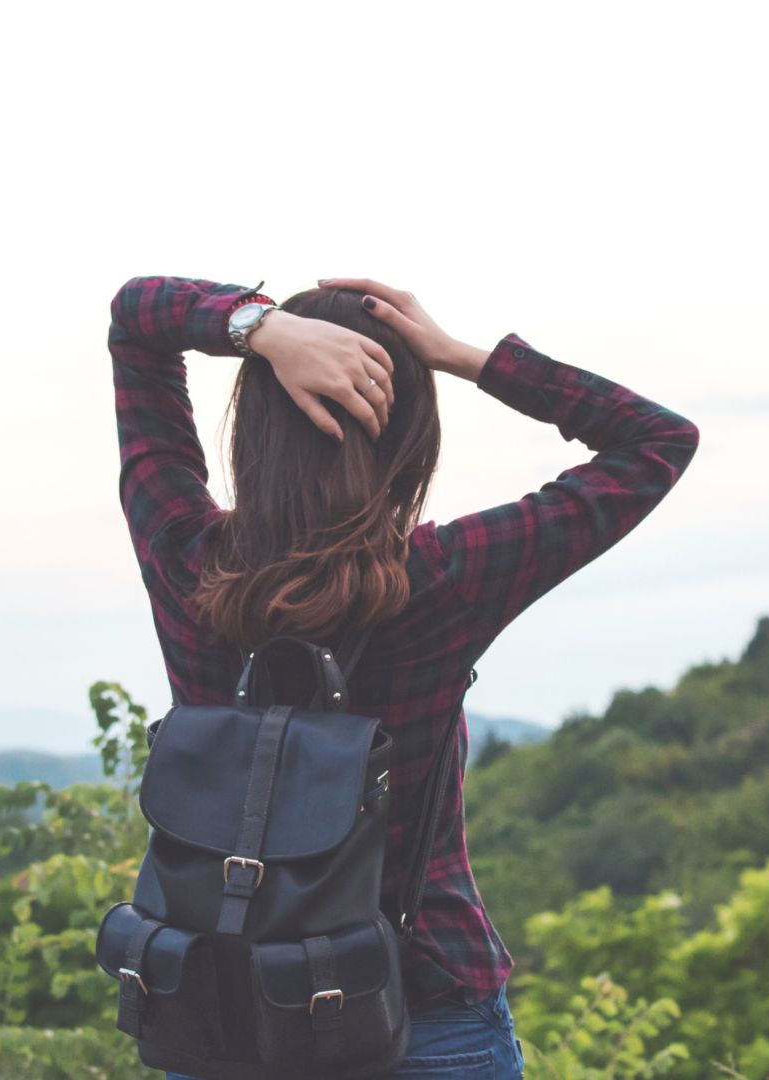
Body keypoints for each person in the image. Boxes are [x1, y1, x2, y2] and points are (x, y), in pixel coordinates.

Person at [108, 273, 700, 1078]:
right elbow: (655, 441)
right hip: (422, 1013)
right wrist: (461, 357)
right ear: (411, 436)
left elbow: (136, 321)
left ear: (251, 427)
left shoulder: (186, 561)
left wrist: (260, 328)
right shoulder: (444, 579)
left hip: (225, 1023)